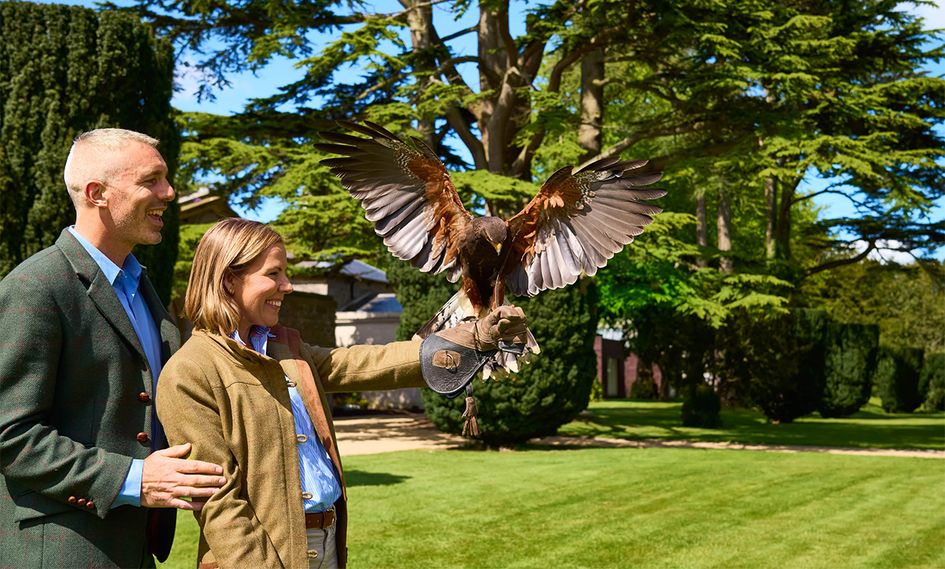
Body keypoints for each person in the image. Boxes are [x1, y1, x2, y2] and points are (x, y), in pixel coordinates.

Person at [157, 218, 528, 569]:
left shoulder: (284, 348)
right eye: (273, 274)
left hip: (327, 539)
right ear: (228, 282)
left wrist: (473, 338)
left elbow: (360, 363)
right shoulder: (190, 372)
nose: (288, 286)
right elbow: (219, 501)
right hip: (262, 555)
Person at [0, 128, 227, 569]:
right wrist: (133, 477)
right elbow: (9, 435)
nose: (170, 192)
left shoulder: (139, 286)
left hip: (135, 547)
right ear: (96, 193)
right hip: (63, 551)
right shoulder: (35, 287)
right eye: (151, 181)